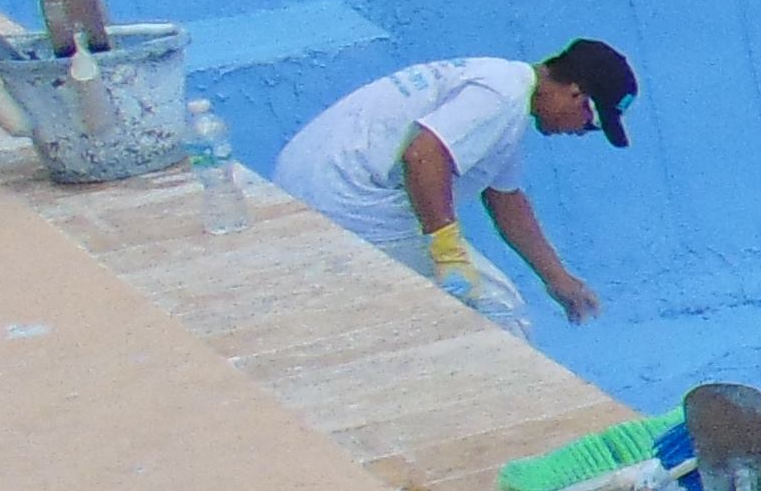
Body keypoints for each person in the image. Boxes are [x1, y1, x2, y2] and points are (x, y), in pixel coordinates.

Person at [272, 43, 634, 325]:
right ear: (576, 94)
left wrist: (557, 278)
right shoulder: (501, 97)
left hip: (306, 180)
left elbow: (505, 199)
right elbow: (424, 155)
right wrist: (447, 252)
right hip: (343, 197)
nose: (581, 133)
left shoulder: (502, 90)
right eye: (590, 123)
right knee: (497, 309)